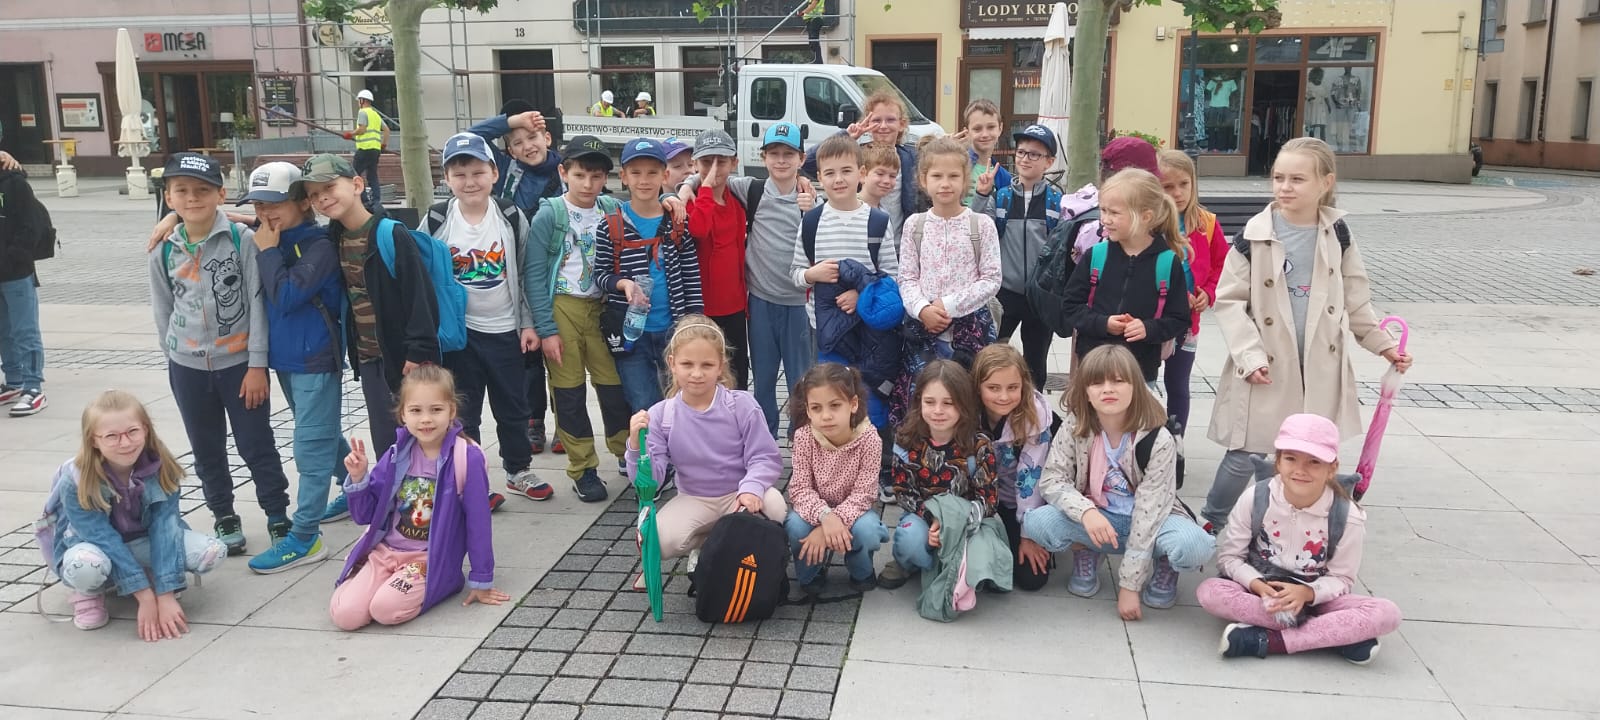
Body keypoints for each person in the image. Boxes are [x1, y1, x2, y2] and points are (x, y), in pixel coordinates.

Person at [1200, 137, 1412, 532]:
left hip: (1318, 369)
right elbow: (1229, 301)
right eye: (1278, 177)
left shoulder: (1338, 234)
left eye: (1297, 179)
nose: (1284, 187)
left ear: (1325, 182)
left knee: (1305, 456)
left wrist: (1384, 346)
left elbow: (1356, 300)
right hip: (1265, 365)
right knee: (1245, 454)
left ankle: (1282, 530)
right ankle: (1211, 523)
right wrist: (1249, 357)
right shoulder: (1254, 234)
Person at [148, 152, 291, 556]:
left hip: (240, 366)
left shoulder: (241, 240)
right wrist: (173, 357)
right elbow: (162, 308)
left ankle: (277, 513)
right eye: (181, 191)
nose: (192, 198)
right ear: (169, 198)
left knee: (256, 443)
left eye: (202, 190)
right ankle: (224, 514)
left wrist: (257, 364)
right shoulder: (162, 249)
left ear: (220, 195)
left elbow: (257, 303)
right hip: (187, 368)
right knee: (206, 446)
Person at [1022, 344, 1215, 619]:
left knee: (1194, 546)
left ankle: (1165, 562)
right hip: (1100, 513)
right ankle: (1088, 548)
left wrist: (1129, 586)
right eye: (1097, 383)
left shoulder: (1157, 437)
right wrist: (1086, 512)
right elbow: (1053, 478)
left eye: (1118, 381)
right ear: (1085, 391)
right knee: (1037, 523)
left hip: (1152, 519)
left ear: (1136, 386)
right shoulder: (1076, 424)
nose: (1107, 389)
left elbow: (1149, 512)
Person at [296, 154, 441, 519]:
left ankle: (428, 511)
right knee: (386, 438)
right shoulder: (334, 236)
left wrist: (419, 352)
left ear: (357, 184)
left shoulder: (389, 233)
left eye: (330, 187)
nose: (323, 198)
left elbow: (419, 296)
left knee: (422, 434)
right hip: (371, 358)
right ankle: (400, 510)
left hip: (405, 359)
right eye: (314, 194)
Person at [1201, 413, 1401, 664]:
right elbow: (1230, 558)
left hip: (1316, 596)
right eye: (1290, 458)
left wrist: (1306, 593)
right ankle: (1333, 634)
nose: (1300, 470)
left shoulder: (1348, 515)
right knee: (1210, 592)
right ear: (1278, 462)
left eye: (1314, 462)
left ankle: (1267, 640)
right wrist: (1257, 585)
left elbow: (1342, 578)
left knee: (1386, 613)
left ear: (1332, 468)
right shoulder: (1255, 497)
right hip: (1262, 591)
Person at [329, 365, 510, 630]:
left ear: (452, 411)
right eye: (416, 411)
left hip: (428, 559)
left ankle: (445, 581)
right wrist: (358, 479)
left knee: (384, 610)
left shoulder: (466, 457)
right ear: (403, 414)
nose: (426, 419)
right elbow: (365, 515)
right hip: (384, 553)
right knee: (345, 616)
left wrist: (482, 579)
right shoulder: (396, 455)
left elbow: (478, 522)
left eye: (436, 409)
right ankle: (379, 582)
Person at [45, 391, 229, 638]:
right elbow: (100, 536)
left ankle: (150, 574)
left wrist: (165, 593)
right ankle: (88, 593)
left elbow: (165, 528)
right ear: (93, 440)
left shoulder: (161, 466)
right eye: (111, 436)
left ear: (145, 429)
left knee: (212, 552)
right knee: (86, 567)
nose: (125, 443)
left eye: (132, 431)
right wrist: (144, 596)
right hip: (94, 547)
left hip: (142, 541)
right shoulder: (76, 479)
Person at [427, 133, 546, 502]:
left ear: (494, 173)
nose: (470, 182)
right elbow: (421, 272)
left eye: (478, 172)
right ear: (447, 179)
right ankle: (470, 477)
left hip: (506, 330)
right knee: (465, 410)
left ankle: (518, 469)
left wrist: (528, 322)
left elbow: (526, 271)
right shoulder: (437, 219)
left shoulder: (509, 216)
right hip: (460, 335)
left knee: (513, 406)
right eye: (459, 174)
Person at [242, 162, 349, 573]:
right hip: (285, 359)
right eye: (257, 204)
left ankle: (305, 537)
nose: (264, 213)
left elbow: (287, 296)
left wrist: (268, 251)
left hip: (315, 359)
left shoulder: (318, 247)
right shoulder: (274, 234)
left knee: (311, 445)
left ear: (304, 203)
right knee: (321, 432)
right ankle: (359, 488)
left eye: (274, 203)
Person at [625, 316, 786, 589]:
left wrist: (752, 488)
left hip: (738, 492)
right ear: (672, 364)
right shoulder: (662, 414)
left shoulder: (741, 405)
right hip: (694, 497)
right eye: (687, 364)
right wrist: (635, 446)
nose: (697, 374)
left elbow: (764, 457)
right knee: (655, 540)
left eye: (707, 365)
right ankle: (709, 543)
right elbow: (650, 483)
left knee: (775, 507)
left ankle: (726, 547)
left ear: (720, 366)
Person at [678, 122, 815, 436]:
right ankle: (763, 439)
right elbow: (708, 174)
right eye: (774, 153)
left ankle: (802, 439)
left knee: (800, 379)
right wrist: (686, 186)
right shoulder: (750, 189)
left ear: (801, 158)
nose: (781, 160)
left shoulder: (809, 199)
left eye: (789, 154)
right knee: (762, 379)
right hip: (760, 302)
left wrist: (810, 201)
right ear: (763, 157)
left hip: (797, 303)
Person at [525, 135, 634, 504]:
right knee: (569, 392)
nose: (588, 184)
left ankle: (626, 452)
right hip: (563, 307)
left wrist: (673, 197)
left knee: (614, 387)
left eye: (597, 176)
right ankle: (583, 467)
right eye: (580, 175)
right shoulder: (550, 215)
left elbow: (647, 209)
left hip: (603, 309)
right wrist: (546, 329)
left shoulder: (612, 209)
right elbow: (534, 274)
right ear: (563, 173)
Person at [466, 101, 563, 457]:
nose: (527, 146)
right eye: (517, 142)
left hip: (554, 273)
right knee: (528, 355)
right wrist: (512, 121)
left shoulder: (565, 171)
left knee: (560, 350)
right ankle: (533, 420)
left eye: (532, 137)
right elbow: (470, 137)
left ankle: (565, 421)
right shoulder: (505, 170)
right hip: (514, 272)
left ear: (547, 138)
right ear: (508, 150)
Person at [596, 138, 705, 413]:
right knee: (642, 403)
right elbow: (601, 275)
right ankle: (645, 443)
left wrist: (694, 323)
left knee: (680, 402)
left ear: (664, 176)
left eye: (652, 172)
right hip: (632, 333)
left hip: (674, 329)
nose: (644, 180)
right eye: (635, 172)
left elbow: (691, 276)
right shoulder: (610, 225)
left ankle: (677, 444)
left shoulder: (677, 222)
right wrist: (623, 283)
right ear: (623, 177)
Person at [1059, 168, 1191, 385]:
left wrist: (1148, 328)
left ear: (1145, 217)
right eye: (1103, 210)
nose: (1105, 219)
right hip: (1094, 369)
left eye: (1114, 213)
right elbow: (1070, 306)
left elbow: (1179, 319)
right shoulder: (1096, 255)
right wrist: (1103, 323)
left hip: (1139, 373)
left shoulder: (1167, 263)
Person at [794, 135, 897, 409]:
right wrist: (812, 275)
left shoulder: (877, 222)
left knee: (868, 399)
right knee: (831, 396)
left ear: (861, 173)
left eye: (846, 171)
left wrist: (861, 295)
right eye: (830, 173)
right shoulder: (812, 222)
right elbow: (795, 274)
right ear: (819, 177)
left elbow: (892, 277)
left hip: (868, 331)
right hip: (825, 332)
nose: (838, 179)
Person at [881, 359, 999, 590]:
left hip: (966, 521)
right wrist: (932, 519)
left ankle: (957, 564)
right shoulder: (906, 441)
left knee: (984, 561)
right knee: (910, 539)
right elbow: (904, 493)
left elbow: (988, 500)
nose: (938, 411)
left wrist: (953, 524)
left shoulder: (979, 445)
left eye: (948, 403)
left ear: (964, 404)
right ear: (919, 401)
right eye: (930, 402)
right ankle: (913, 563)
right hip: (924, 518)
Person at [785, 363, 889, 595]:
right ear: (808, 410)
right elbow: (800, 490)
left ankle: (861, 572)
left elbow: (864, 495)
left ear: (853, 404)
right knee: (794, 524)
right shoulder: (803, 437)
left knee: (868, 530)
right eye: (816, 408)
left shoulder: (870, 439)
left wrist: (831, 524)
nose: (826, 416)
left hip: (855, 511)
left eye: (835, 405)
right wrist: (825, 517)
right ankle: (811, 574)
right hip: (815, 510)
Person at [972, 123, 1059, 386]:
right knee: (991, 357)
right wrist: (981, 194)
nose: (1025, 159)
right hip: (1004, 293)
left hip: (1039, 297)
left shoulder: (1057, 201)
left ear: (1049, 162)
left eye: (1034, 154)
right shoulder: (1002, 198)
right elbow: (976, 228)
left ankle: (1033, 409)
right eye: (1021, 152)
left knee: (1035, 364)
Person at [1156, 149, 1227, 438]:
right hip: (1153, 320)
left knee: (1178, 384)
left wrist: (1208, 292)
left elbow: (1222, 265)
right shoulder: (1150, 224)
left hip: (1188, 324)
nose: (1177, 193)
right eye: (1168, 186)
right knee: (1143, 383)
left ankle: (1176, 442)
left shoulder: (1206, 223)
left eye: (1184, 184)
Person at [972, 344, 1055, 591]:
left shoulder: (1034, 417)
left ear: (1023, 385)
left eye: (1012, 387)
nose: (1003, 396)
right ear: (977, 386)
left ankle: (1037, 537)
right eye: (993, 388)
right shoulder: (965, 411)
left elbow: (1031, 479)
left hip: (1017, 501)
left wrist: (1029, 534)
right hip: (978, 499)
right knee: (984, 573)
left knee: (1031, 578)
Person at [804, 90, 920, 236]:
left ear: (901, 124)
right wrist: (846, 136)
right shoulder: (857, 155)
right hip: (861, 238)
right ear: (867, 122)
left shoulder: (912, 157)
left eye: (890, 120)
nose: (883, 126)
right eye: (877, 120)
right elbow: (807, 162)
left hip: (900, 243)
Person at [685, 129, 750, 389]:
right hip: (705, 307)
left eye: (721, 161)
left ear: (734, 163)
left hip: (735, 305)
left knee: (738, 373)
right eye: (706, 162)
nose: (714, 169)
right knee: (707, 377)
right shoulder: (693, 201)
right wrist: (704, 188)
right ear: (695, 164)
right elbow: (698, 230)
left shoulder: (737, 201)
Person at [0, 158, 48, 416]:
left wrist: (13, 257)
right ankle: (13, 380)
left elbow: (30, 227)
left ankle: (33, 386)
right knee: (3, 330)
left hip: (16, 272)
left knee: (24, 330)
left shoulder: (15, 183)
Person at [957, 99, 1012, 206]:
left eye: (991, 127)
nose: (985, 134)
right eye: (977, 129)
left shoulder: (1004, 177)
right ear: (967, 132)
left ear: (1000, 128)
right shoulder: (957, 166)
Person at [343, 89, 389, 209]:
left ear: (362, 100)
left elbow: (362, 129)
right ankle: (376, 201)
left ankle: (364, 200)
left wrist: (350, 134)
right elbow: (386, 130)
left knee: (355, 174)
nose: (358, 102)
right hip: (375, 150)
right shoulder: (375, 114)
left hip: (364, 149)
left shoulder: (363, 112)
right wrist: (383, 145)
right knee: (372, 176)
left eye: (359, 100)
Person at [858, 144, 901, 238]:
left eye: (892, 176)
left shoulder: (884, 214)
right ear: (863, 174)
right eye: (880, 174)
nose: (887, 181)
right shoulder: (849, 208)